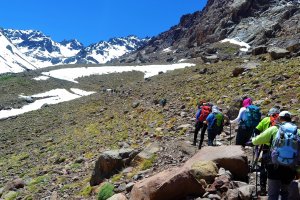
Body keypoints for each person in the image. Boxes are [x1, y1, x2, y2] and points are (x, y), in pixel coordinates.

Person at [249, 111, 299, 200]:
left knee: (273, 194)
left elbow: (258, 139)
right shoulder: (297, 131)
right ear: (290, 119)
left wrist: (251, 142)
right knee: (285, 193)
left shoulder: (274, 129)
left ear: (279, 118)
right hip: (291, 166)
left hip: (275, 165)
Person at [253, 106, 280, 195]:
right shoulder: (281, 122)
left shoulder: (266, 120)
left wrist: (259, 137)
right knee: (277, 167)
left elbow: (256, 130)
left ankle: (263, 188)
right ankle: (277, 187)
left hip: (267, 147)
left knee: (263, 167)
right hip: (279, 148)